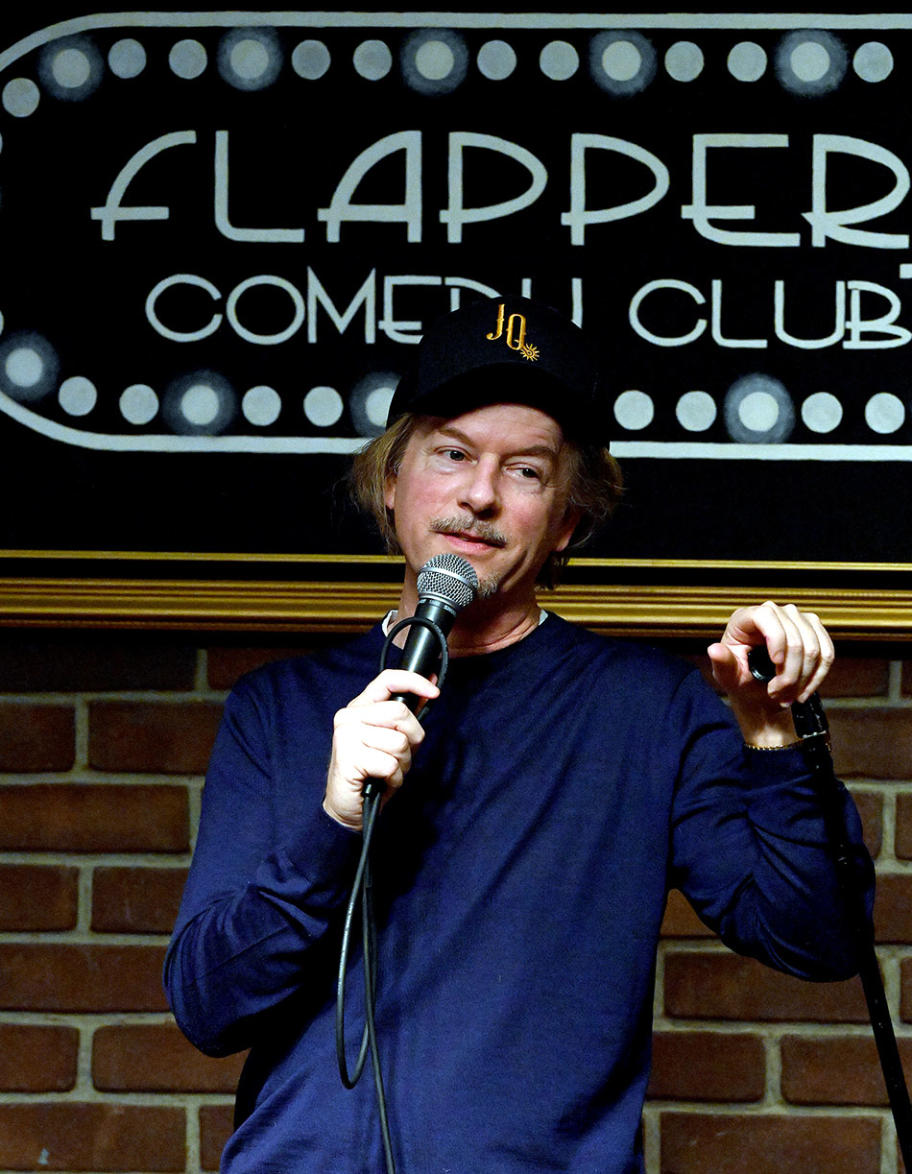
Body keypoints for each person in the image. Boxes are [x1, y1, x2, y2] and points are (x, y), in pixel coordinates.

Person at [164, 295, 873, 1173]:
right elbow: (208, 1007)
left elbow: (818, 939)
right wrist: (333, 826)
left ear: (566, 520)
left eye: (526, 471)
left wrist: (773, 742)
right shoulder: (280, 709)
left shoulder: (649, 711)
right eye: (452, 454)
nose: (479, 494)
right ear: (392, 481)